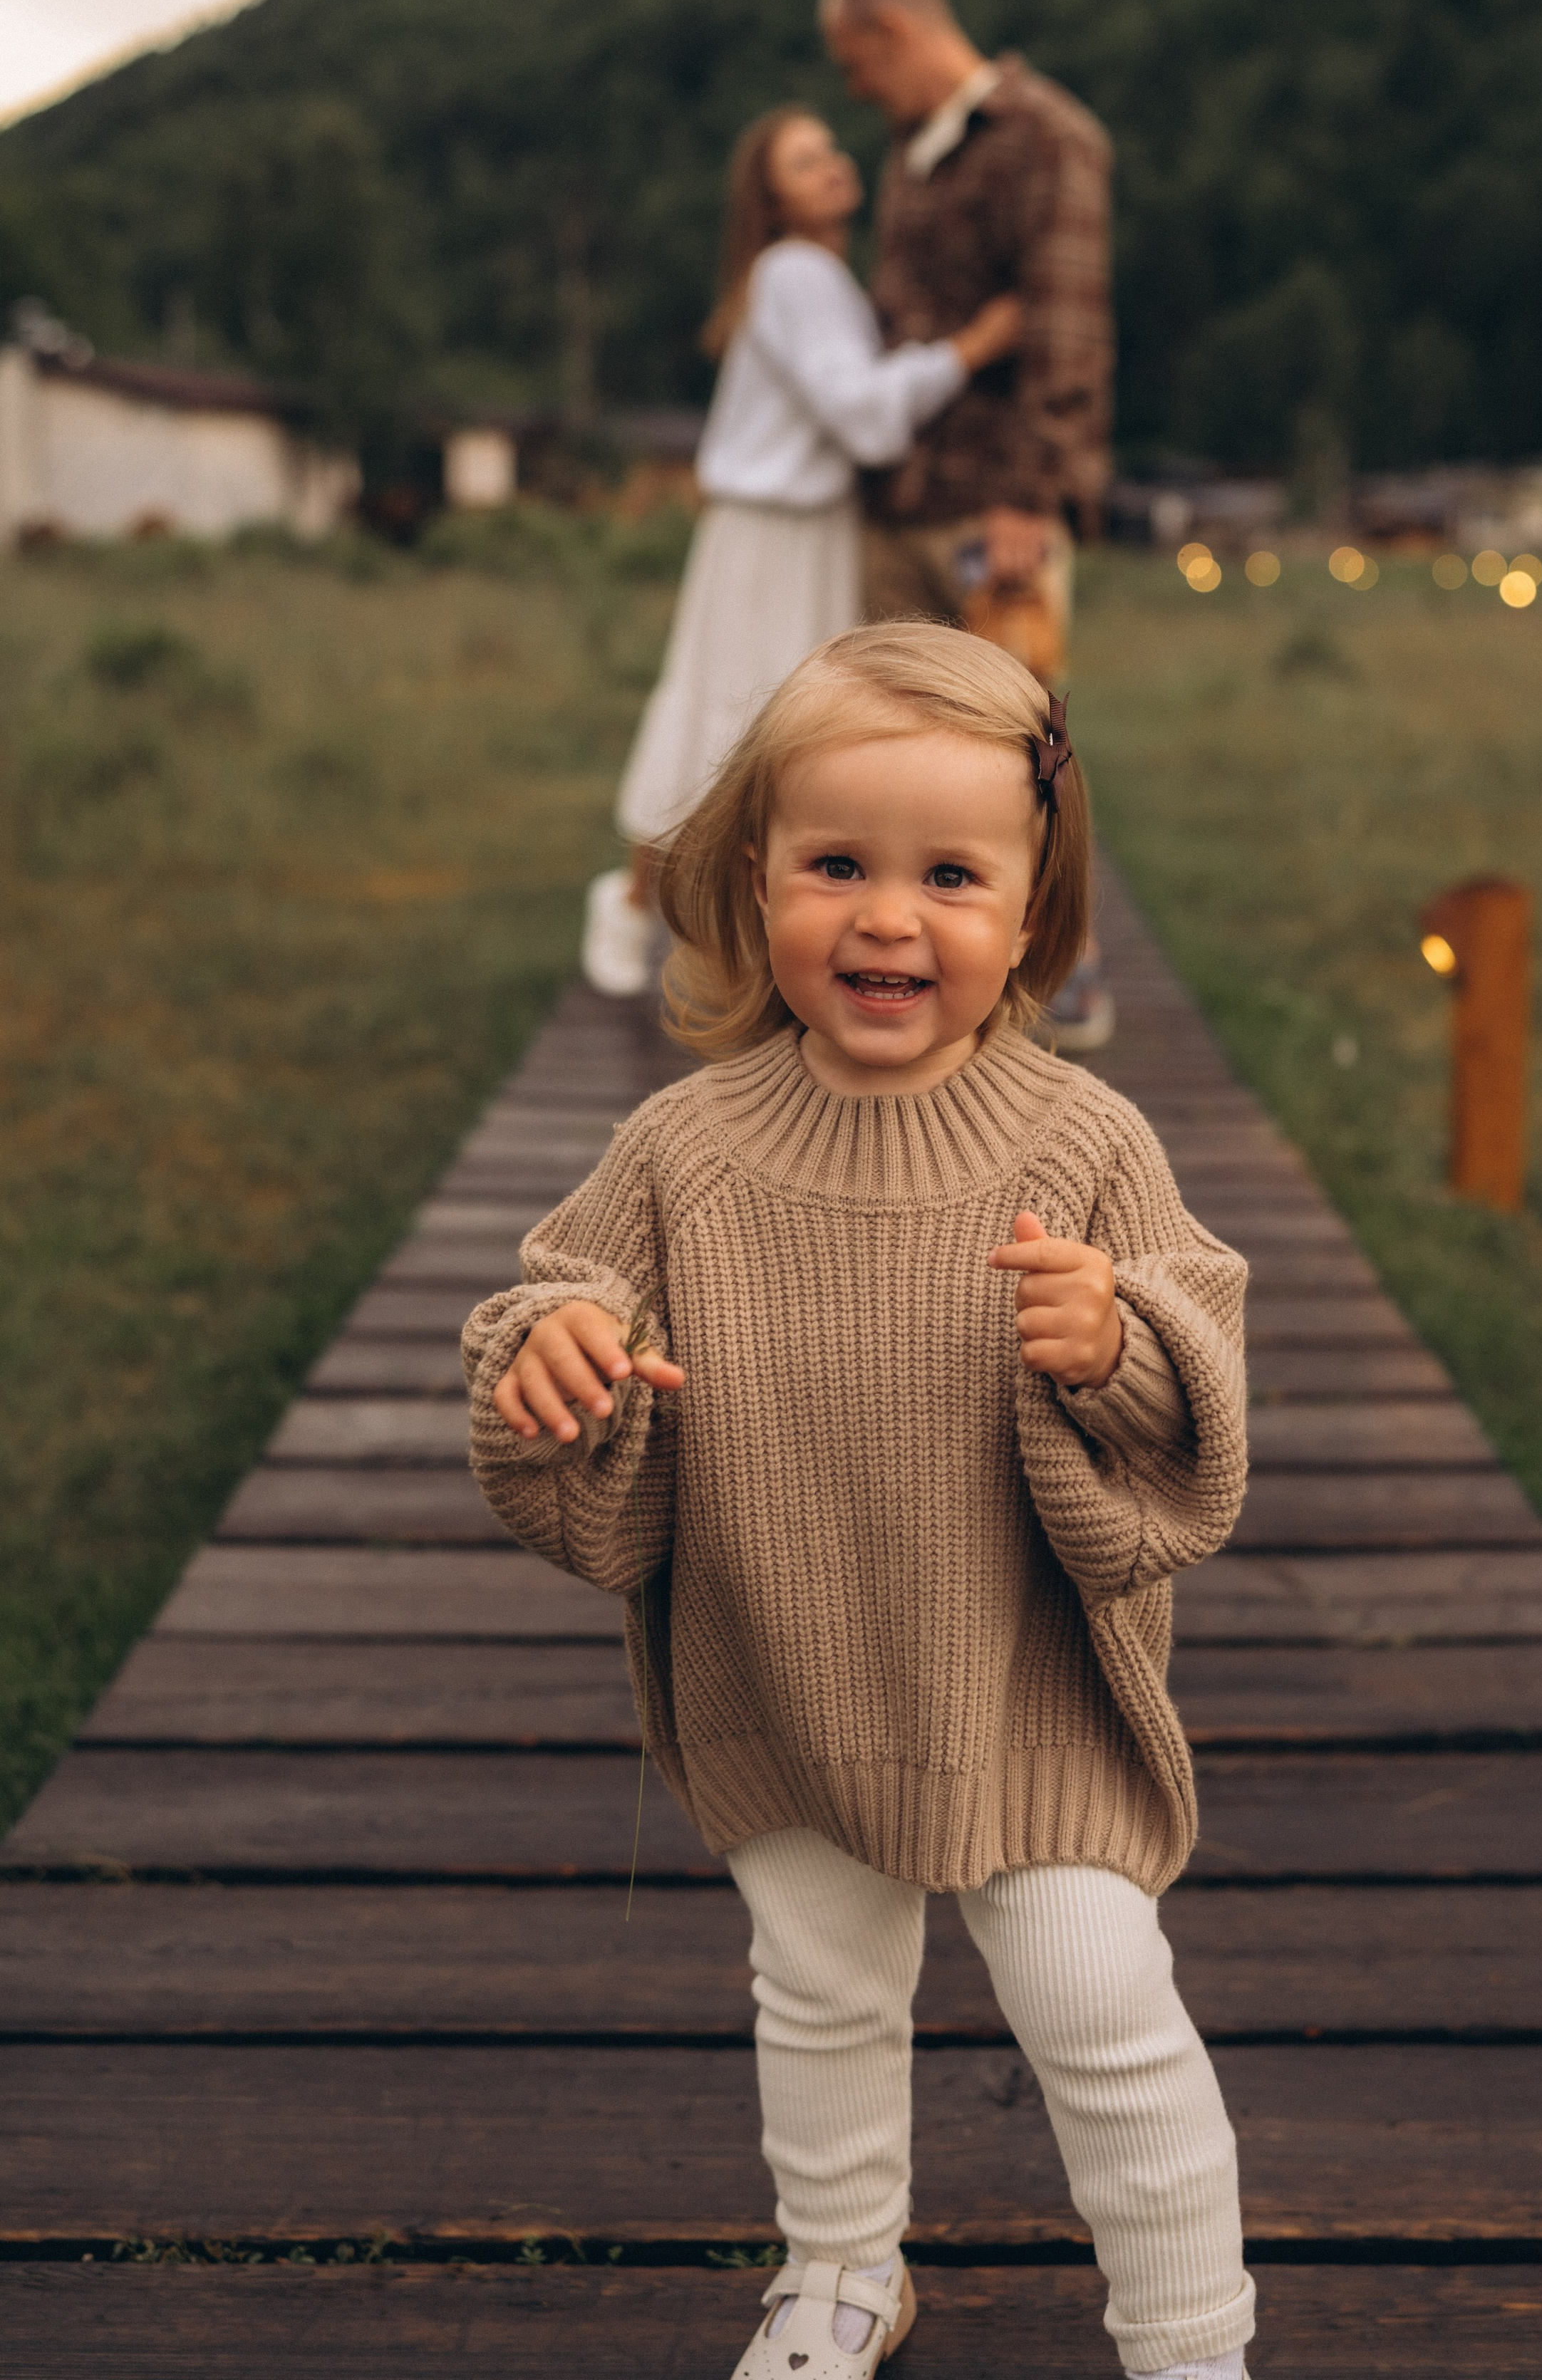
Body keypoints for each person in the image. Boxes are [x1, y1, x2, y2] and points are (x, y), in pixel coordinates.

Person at [465, 623, 1256, 2380]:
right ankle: (839, 2269)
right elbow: (551, 1294)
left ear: (1033, 907)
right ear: (755, 886)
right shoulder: (683, 1145)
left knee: (1102, 2013)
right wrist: (558, 1347)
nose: (887, 919)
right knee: (818, 1990)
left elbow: (1197, 1364)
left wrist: (1114, 1335)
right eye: (836, 864)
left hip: (1020, 1688)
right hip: (786, 1657)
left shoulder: (1082, 1141)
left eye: (950, 875)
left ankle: (1190, 2342)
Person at [583, 105, 1022, 994]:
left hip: (812, 534)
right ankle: (635, 906)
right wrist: (969, 350)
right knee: (726, 719)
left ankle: (728, 941)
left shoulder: (822, 281)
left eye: (829, 149)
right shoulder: (793, 273)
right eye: (800, 160)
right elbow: (863, 417)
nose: (828, 165)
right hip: (767, 535)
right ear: (770, 199)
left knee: (786, 732)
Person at [820, 0, 1117, 1049]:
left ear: (895, 33)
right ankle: (929, 974)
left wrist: (1032, 500)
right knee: (891, 742)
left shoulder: (1051, 136)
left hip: (994, 503)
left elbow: (1069, 328)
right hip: (899, 501)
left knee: (1024, 738)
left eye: (858, 65)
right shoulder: (911, 149)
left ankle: (1067, 957)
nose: (857, 90)